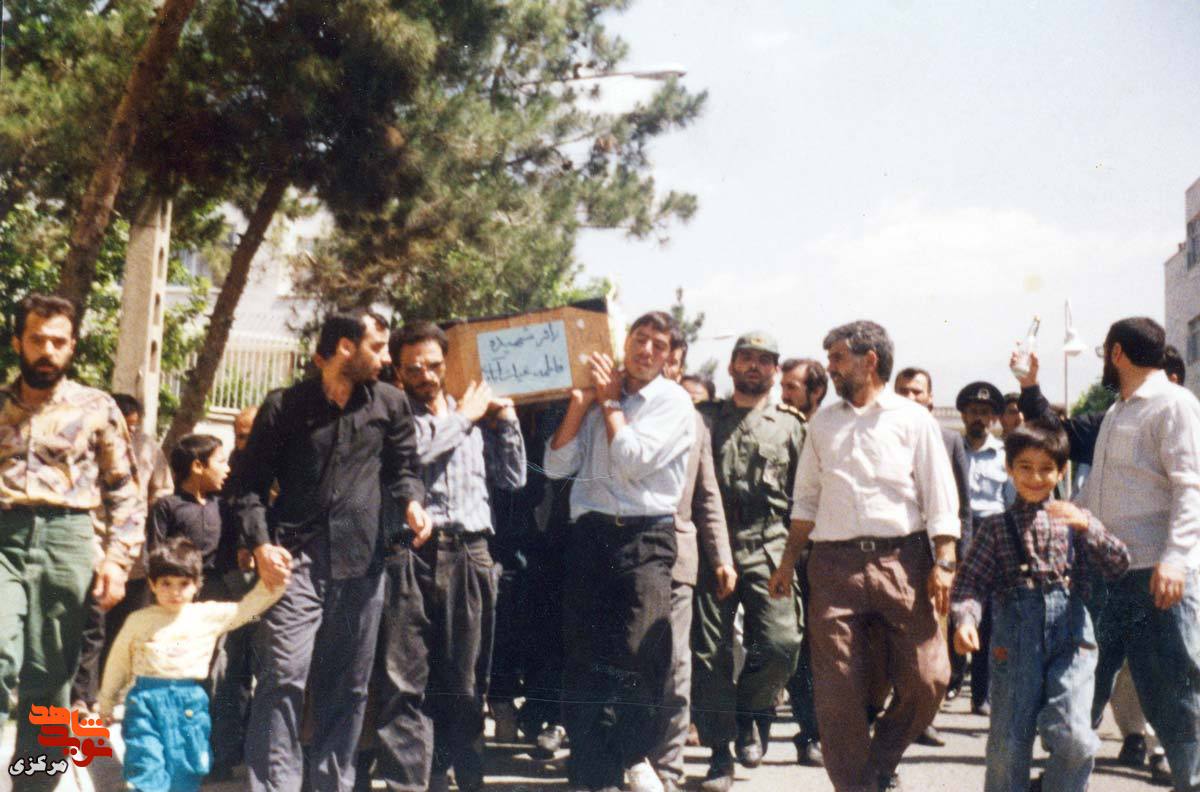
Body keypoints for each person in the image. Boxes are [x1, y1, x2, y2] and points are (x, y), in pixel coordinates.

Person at [235, 311, 429, 791]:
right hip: (293, 563)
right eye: (377, 347)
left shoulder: (390, 403)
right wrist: (260, 544)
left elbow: (404, 469)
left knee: (348, 687)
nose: (386, 359)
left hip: (362, 564)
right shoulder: (284, 406)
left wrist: (412, 503)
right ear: (346, 347)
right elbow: (248, 485)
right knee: (283, 676)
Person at [769, 320, 959, 792]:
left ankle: (879, 762)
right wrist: (788, 563)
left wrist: (944, 561)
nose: (830, 367)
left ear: (869, 360)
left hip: (904, 563)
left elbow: (940, 496)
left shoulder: (913, 420)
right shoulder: (822, 423)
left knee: (929, 678)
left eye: (837, 358)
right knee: (837, 694)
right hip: (833, 567)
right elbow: (806, 501)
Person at [544, 311, 695, 792]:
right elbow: (555, 467)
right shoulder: (600, 390)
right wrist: (580, 404)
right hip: (591, 534)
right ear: (625, 341)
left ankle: (633, 754)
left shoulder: (673, 401)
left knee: (641, 650)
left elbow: (631, 460)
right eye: (640, 338)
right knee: (584, 654)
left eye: (658, 344)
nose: (646, 350)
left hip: (645, 536)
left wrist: (609, 404)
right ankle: (592, 771)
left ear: (669, 356)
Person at [372, 322, 526, 792]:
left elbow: (514, 478)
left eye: (434, 365)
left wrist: (506, 421)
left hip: (471, 551)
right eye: (413, 368)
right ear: (398, 372)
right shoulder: (395, 413)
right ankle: (409, 784)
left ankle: (465, 777)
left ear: (448, 363)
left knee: (466, 682)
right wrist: (465, 418)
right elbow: (412, 455)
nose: (426, 375)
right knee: (404, 681)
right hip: (411, 552)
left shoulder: (471, 410)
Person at [0, 293, 146, 787]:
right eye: (37, 339)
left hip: (68, 541)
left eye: (58, 342)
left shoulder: (96, 407)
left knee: (50, 683)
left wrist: (117, 562)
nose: (47, 350)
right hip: (4, 536)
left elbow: (125, 492)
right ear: (18, 342)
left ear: (72, 347)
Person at [951, 418, 1129, 792]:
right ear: (1009, 469)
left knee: (1075, 736)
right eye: (1025, 467)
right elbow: (971, 583)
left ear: (1061, 471)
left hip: (1072, 639)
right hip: (1014, 643)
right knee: (1008, 742)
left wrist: (1089, 527)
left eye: (1047, 469)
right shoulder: (995, 527)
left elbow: (1119, 564)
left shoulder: (1076, 520)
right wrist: (966, 620)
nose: (1035, 478)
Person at [1076, 317, 1200, 792]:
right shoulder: (1117, 411)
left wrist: (1176, 558)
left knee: (1174, 690)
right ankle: (1067, 777)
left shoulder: (1174, 404)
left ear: (1117, 353)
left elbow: (1190, 488)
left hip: (1155, 575)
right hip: (1106, 572)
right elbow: (1102, 490)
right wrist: (1065, 513)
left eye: (1104, 353)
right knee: (1083, 678)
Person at [692, 331, 806, 791]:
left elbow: (803, 495)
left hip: (769, 543)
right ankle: (719, 753)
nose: (754, 366)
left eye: (764, 360)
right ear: (731, 366)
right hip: (711, 544)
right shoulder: (704, 419)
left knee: (781, 644)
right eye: (746, 358)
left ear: (776, 371)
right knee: (709, 652)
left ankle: (752, 712)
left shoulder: (792, 427)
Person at [99, 536, 289, 792]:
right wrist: (107, 701)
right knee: (146, 763)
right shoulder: (139, 620)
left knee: (186, 768)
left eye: (183, 584)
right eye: (166, 583)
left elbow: (247, 609)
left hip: (189, 703)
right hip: (145, 702)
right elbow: (118, 661)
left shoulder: (206, 615)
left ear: (197, 584)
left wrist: (276, 583)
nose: (175, 592)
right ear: (152, 584)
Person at [649, 334, 736, 792]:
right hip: (625, 555)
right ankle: (629, 758)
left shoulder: (695, 422)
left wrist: (721, 557)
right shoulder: (624, 410)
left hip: (679, 557)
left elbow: (707, 494)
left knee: (676, 666)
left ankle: (667, 767)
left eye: (675, 362)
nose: (667, 368)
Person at [73, 393, 174, 713]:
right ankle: (81, 696)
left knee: (125, 628)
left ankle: (110, 692)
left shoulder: (148, 448)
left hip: (134, 552)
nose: (128, 432)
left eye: (133, 426)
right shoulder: (87, 444)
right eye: (123, 425)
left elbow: (162, 491)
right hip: (94, 546)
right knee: (92, 627)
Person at [890, 367, 971, 736]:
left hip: (935, 555)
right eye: (902, 391)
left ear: (930, 399)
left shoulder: (949, 440)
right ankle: (895, 709)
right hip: (894, 553)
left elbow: (962, 506)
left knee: (932, 638)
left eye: (916, 391)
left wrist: (955, 560)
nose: (910, 397)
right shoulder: (884, 434)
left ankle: (925, 718)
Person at [778, 356, 828, 765]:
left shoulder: (830, 431)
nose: (784, 395)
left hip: (827, 551)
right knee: (796, 648)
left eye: (792, 388)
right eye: (782, 386)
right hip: (786, 551)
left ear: (817, 392)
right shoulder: (777, 429)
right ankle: (808, 731)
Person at [954, 380, 1010, 716]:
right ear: (963, 414)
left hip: (991, 535)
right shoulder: (951, 449)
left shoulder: (1004, 456)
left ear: (993, 418)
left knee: (987, 616)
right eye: (973, 411)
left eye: (985, 413)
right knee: (952, 607)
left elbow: (1010, 502)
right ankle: (951, 679)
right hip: (957, 532)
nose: (979, 418)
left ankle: (981, 694)